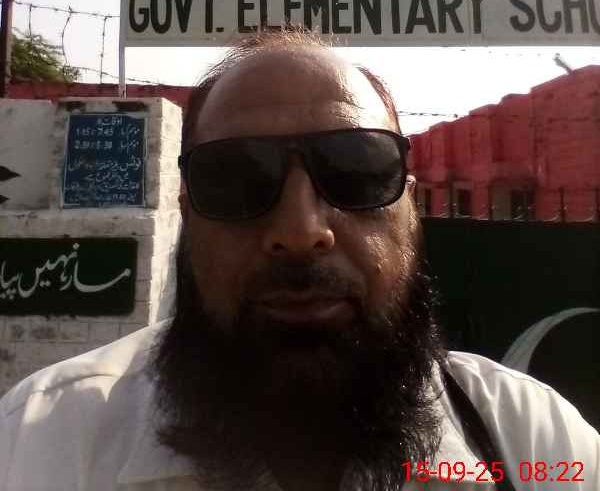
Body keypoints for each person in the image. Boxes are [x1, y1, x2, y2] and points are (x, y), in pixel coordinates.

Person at [1, 29, 598, 491]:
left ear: (410, 211)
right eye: (237, 179)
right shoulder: (45, 444)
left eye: (358, 171)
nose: (300, 231)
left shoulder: (531, 443)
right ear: (187, 214)